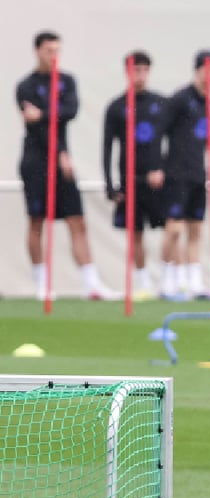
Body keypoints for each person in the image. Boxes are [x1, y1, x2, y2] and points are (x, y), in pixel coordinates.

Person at [16, 30, 115, 300]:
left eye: (57, 50)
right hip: (36, 161)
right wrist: (58, 149)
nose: (54, 56)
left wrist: (44, 115)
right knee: (37, 220)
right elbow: (37, 127)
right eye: (49, 51)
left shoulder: (67, 81)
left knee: (77, 220)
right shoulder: (25, 86)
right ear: (38, 51)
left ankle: (91, 284)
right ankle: (42, 284)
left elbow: (69, 111)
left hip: (63, 162)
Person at [102, 51, 169, 298]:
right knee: (135, 233)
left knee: (171, 228)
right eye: (135, 70)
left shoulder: (162, 104)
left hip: (159, 181)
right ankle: (143, 284)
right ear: (127, 72)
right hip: (130, 180)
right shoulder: (117, 107)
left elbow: (176, 141)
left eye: (143, 70)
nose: (139, 75)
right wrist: (110, 185)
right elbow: (107, 148)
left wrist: (164, 170)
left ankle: (168, 280)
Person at [158, 51, 210, 300]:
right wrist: (157, 166)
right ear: (197, 70)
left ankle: (194, 282)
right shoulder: (180, 99)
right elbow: (160, 131)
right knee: (174, 228)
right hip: (176, 173)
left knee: (196, 229)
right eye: (206, 69)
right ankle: (168, 279)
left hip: (198, 173)